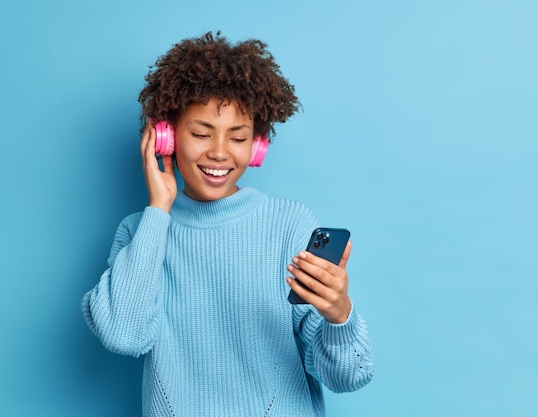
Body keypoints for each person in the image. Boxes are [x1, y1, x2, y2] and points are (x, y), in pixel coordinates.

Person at [81, 31, 374, 416]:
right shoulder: (140, 233)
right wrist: (159, 209)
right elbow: (122, 334)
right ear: (165, 137)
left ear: (257, 146)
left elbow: (348, 376)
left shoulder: (289, 224)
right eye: (201, 133)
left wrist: (339, 315)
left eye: (237, 137)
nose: (219, 152)